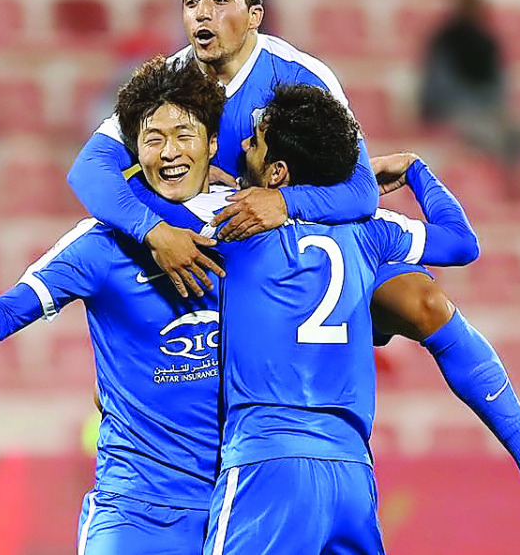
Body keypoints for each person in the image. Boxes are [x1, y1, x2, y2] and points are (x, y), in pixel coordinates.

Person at [65, 0, 520, 516]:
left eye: (219, 1)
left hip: (290, 252)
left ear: (256, 12)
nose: (201, 16)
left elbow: (360, 193)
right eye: (191, 2)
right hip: (209, 251)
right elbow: (88, 170)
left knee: (426, 299)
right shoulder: (172, 80)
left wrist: (282, 203)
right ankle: (130, 436)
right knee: (162, 347)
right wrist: (153, 231)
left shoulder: (301, 76)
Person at [0, 59, 225, 555]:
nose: (171, 151)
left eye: (184, 134)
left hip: (231, 501)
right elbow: (7, 313)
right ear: (134, 151)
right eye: (153, 138)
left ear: (212, 143)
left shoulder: (249, 229)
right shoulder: (99, 245)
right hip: (133, 506)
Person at [195, 84, 474, 554]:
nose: (243, 144)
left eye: (255, 141)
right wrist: (415, 169)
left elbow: (134, 206)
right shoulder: (368, 232)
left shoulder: (230, 223)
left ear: (278, 173)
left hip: (268, 462)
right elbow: (462, 242)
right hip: (350, 474)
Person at [420, 0, 520, 197]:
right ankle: (503, 189)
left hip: (488, 109)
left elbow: (499, 84)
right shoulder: (444, 40)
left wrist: (493, 107)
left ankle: (518, 184)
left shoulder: (487, 41)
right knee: (488, 135)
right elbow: (439, 89)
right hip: (456, 109)